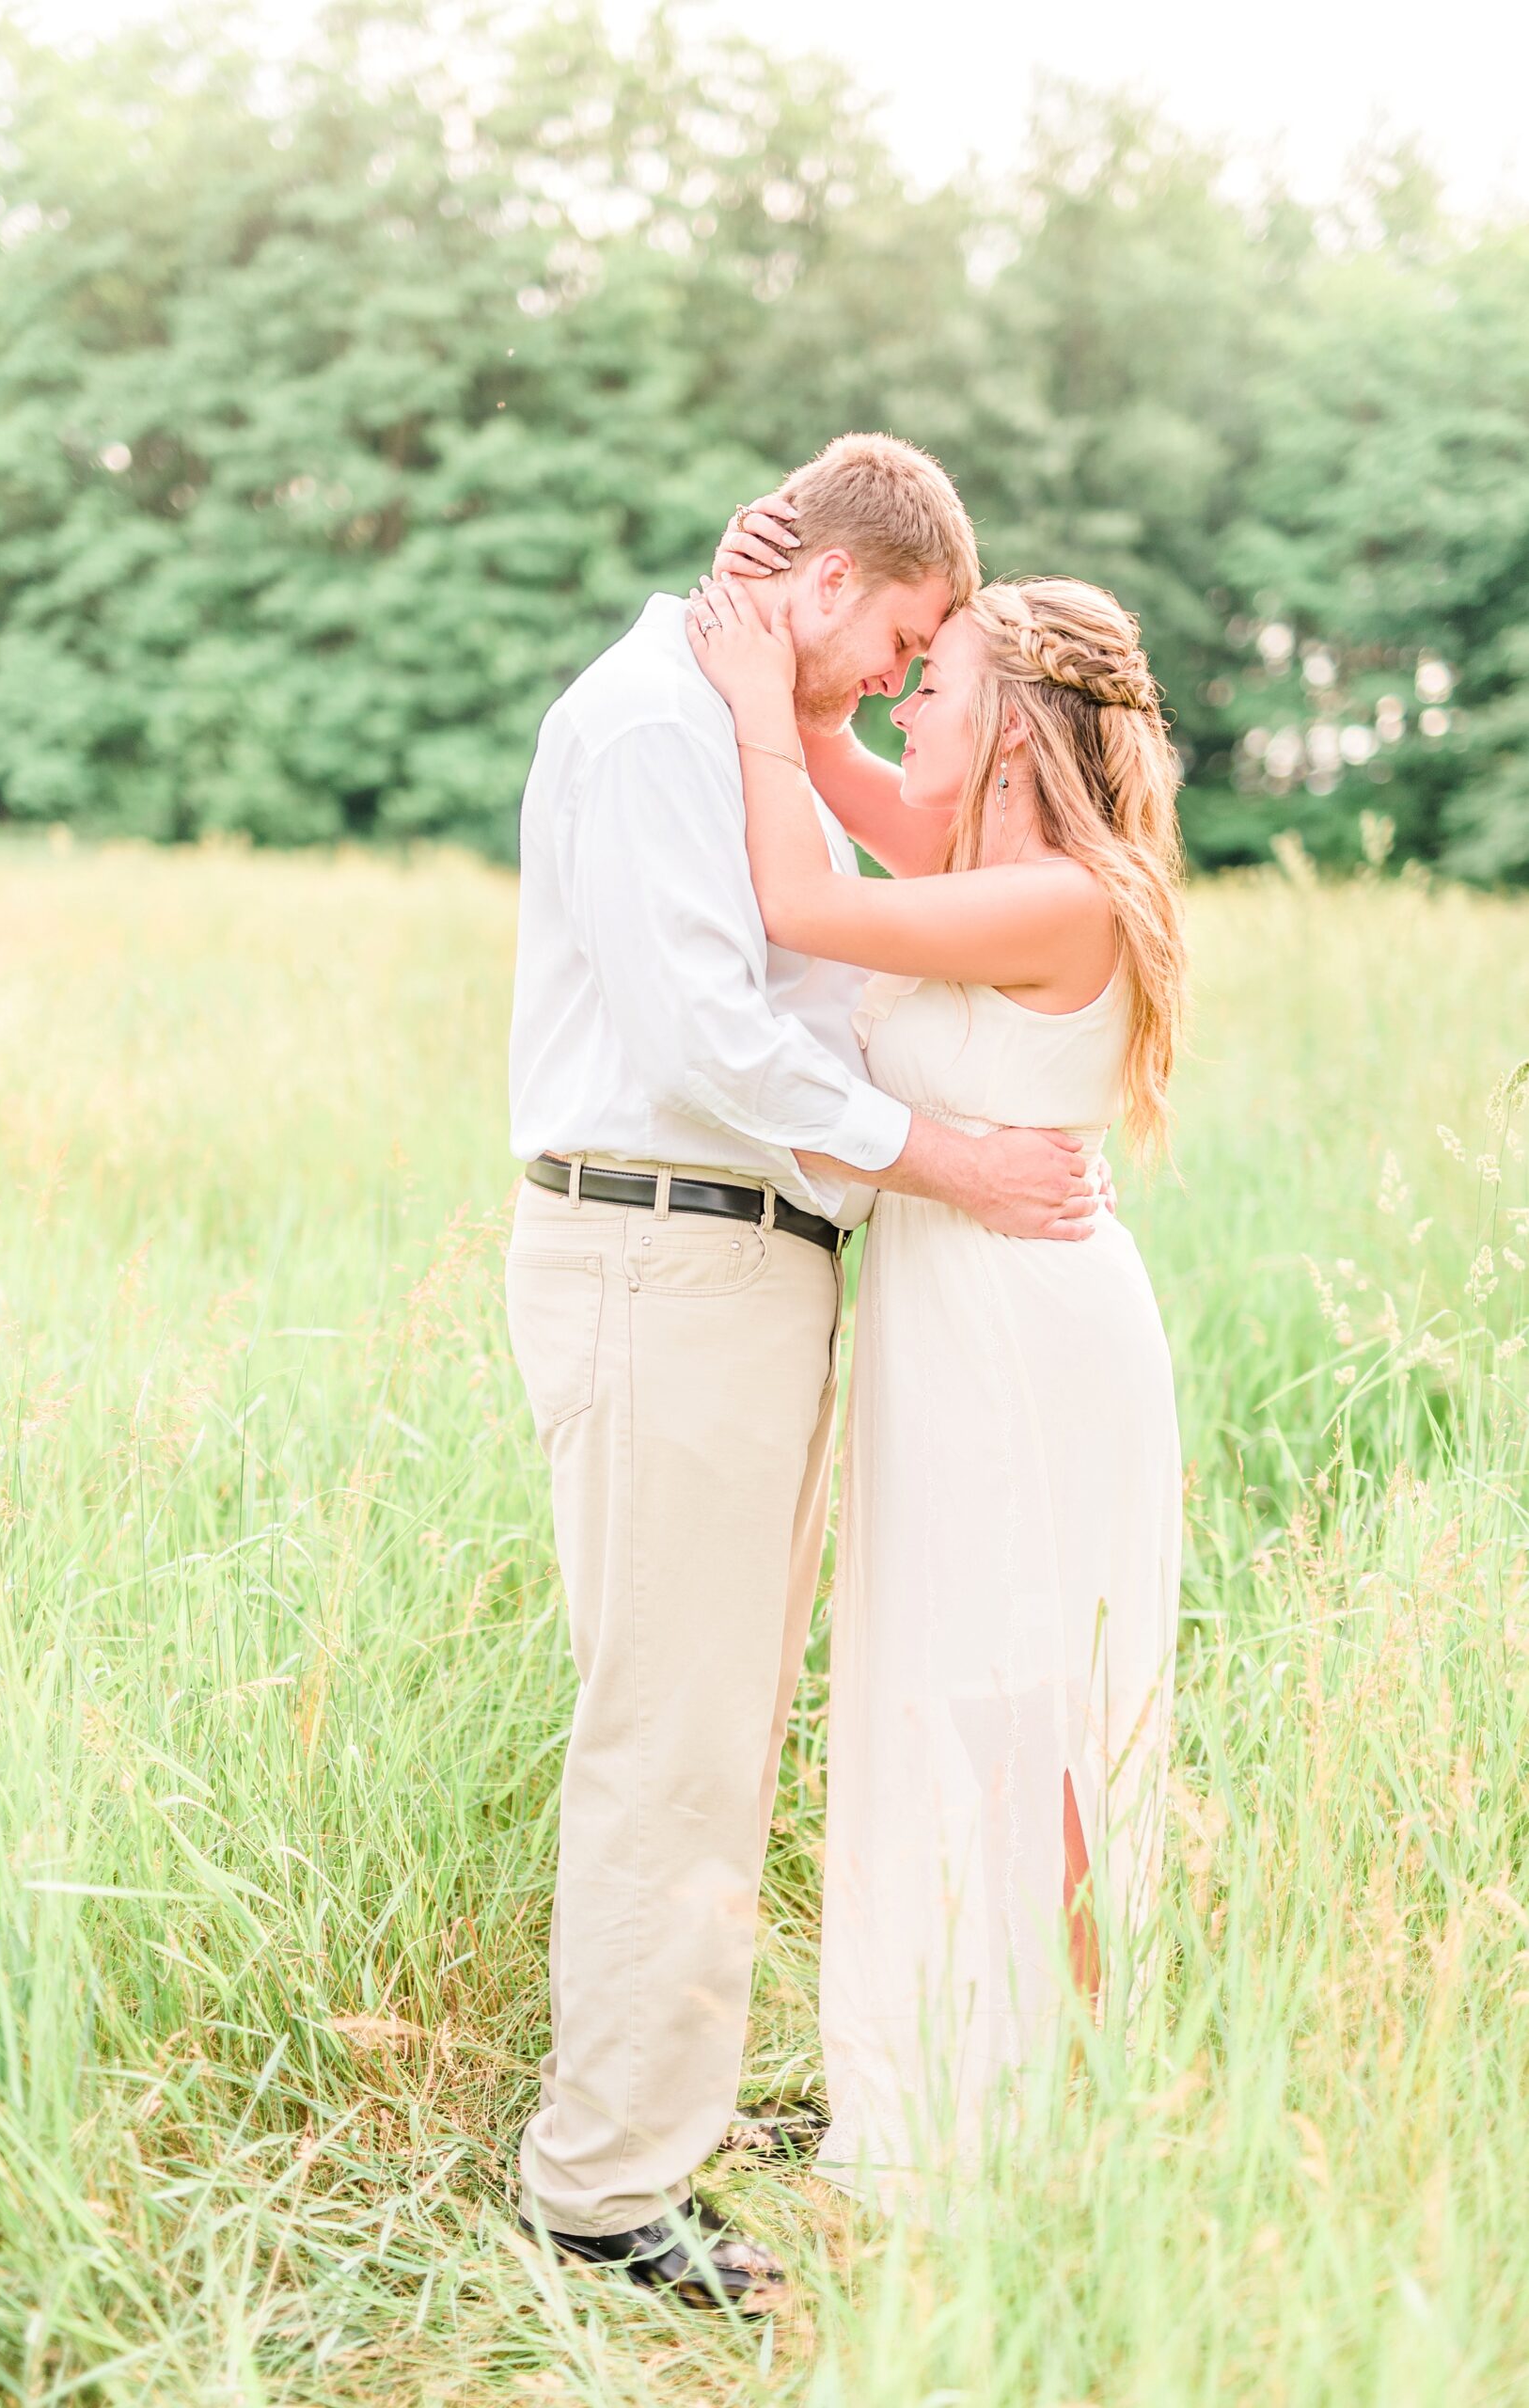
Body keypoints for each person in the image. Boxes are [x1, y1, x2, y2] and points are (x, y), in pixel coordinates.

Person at [505, 435, 1102, 2311]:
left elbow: (827, 970)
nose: (894, 675)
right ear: (826, 580)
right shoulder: (647, 728)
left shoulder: (719, 719)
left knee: (718, 1724)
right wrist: (958, 1162)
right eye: (901, 631)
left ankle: (650, 2112)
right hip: (664, 1243)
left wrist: (789, 704)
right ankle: (604, 2192)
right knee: (672, 1730)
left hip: (733, 1264)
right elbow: (710, 1042)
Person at [687, 519, 1186, 2197]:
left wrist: (759, 691)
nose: (906, 704)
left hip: (1021, 1326)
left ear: (1019, 720)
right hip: (962, 1300)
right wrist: (775, 592)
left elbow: (792, 891)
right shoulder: (984, 860)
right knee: (958, 1687)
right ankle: (983, 2076)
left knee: (1022, 1702)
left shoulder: (1050, 894)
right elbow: (839, 763)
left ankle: (1042, 2106)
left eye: (937, 683)